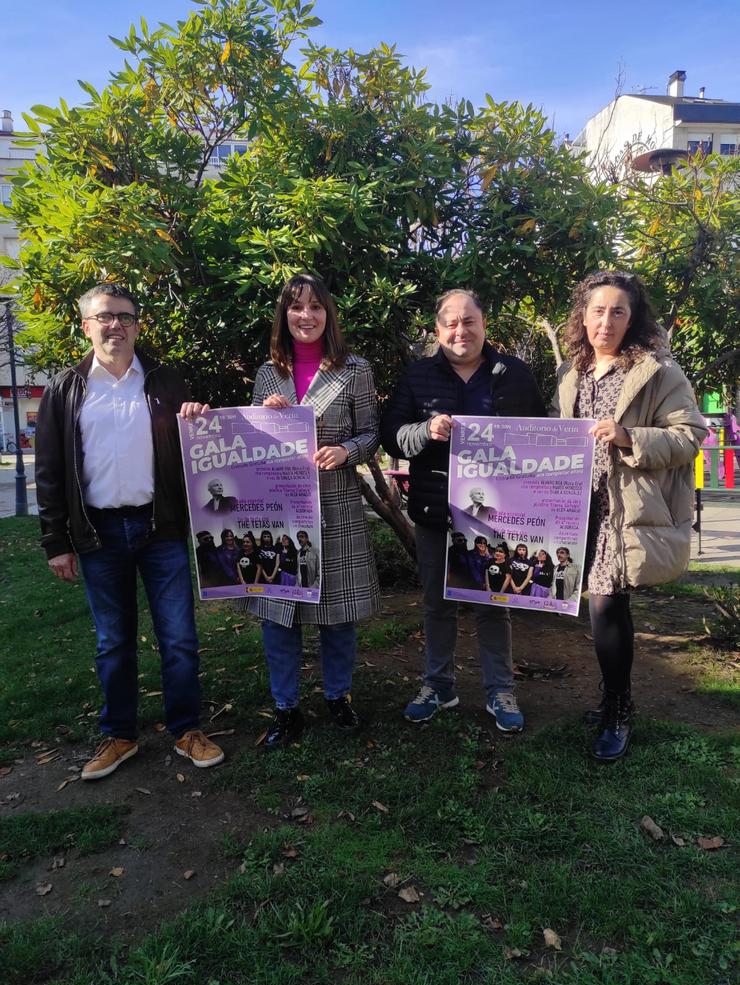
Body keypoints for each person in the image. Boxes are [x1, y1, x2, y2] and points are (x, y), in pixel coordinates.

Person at [35, 283, 224, 779]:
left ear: (138, 325)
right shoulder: (65, 389)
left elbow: (195, 443)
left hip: (159, 527)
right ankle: (119, 735)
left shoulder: (164, 380)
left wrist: (197, 418)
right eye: (104, 317)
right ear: (86, 326)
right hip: (97, 534)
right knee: (112, 642)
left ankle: (186, 729)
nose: (115, 324)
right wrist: (56, 541)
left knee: (179, 637)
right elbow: (50, 469)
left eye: (124, 316)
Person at [552, 271, 706, 762]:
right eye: (598, 310)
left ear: (633, 318)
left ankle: (618, 708)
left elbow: (691, 436)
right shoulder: (570, 372)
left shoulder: (658, 371)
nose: (607, 321)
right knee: (599, 605)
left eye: (619, 311)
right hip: (578, 508)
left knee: (605, 605)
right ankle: (611, 699)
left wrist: (629, 437)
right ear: (583, 316)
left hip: (623, 508)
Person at [381, 288, 546, 732]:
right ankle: (439, 686)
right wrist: (425, 430)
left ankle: (499, 690)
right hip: (438, 513)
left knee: (495, 602)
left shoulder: (514, 374)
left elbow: (542, 435)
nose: (460, 330)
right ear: (438, 330)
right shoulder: (418, 376)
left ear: (484, 324)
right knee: (438, 603)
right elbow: (392, 436)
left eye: (469, 320)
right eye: (450, 322)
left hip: (499, 516)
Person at [250, 273, 380, 748]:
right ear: (284, 315)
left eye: (315, 307)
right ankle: (286, 709)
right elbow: (250, 445)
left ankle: (338, 698)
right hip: (281, 511)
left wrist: (347, 450)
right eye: (296, 307)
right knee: (278, 613)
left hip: (337, 506)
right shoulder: (268, 372)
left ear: (329, 314)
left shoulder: (354, 369)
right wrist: (265, 414)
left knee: (337, 614)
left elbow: (371, 434)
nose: (306, 316)